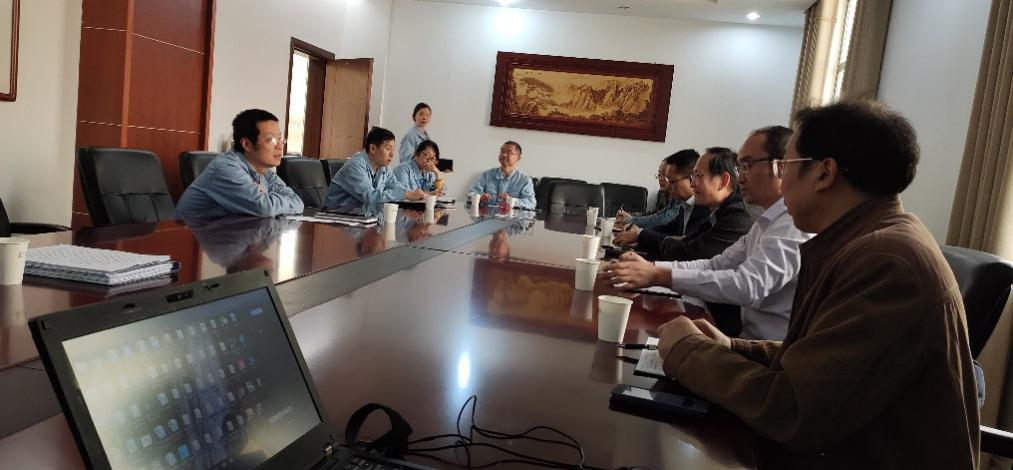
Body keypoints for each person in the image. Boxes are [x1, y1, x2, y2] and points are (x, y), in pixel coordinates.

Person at [655, 101, 979, 469]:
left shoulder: (886, 263)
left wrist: (687, 352)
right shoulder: (868, 240)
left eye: (787, 166)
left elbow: (792, 409)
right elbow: (820, 359)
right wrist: (733, 347)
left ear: (825, 173)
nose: (781, 179)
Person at [606, 126, 812, 340]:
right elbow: (714, 264)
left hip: (765, 351)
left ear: (781, 167)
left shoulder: (792, 225)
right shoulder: (765, 222)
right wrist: (651, 269)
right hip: (743, 341)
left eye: (747, 165)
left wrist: (658, 275)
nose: (740, 177)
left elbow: (748, 285)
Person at [174, 109, 304, 219]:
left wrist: (268, 198)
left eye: (280, 139)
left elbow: (298, 202)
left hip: (226, 235)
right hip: (187, 237)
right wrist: (269, 200)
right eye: (271, 140)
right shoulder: (226, 168)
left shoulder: (265, 173)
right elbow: (264, 208)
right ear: (246, 144)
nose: (280, 146)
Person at [628, 148, 753, 261]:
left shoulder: (736, 217)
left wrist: (641, 235)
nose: (692, 184)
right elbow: (686, 241)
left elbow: (687, 253)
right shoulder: (717, 212)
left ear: (723, 181)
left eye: (698, 176)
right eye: (693, 176)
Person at [614, 150, 709, 244]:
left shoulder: (705, 209)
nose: (669, 185)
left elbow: (686, 243)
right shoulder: (685, 204)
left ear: (691, 179)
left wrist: (639, 235)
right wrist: (639, 233)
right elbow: (666, 228)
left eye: (672, 181)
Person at [325, 127, 425, 209]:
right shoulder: (355, 166)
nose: (392, 155)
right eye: (388, 149)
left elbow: (396, 186)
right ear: (372, 148)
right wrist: (405, 194)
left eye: (393, 150)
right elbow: (370, 197)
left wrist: (416, 194)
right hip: (336, 217)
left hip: (362, 216)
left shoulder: (384, 168)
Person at [468, 141, 536, 210]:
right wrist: (479, 197)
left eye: (509, 152)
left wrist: (511, 200)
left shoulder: (525, 180)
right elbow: (471, 193)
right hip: (487, 215)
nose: (504, 155)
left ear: (518, 158)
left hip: (511, 216)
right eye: (502, 151)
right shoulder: (487, 175)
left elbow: (531, 203)